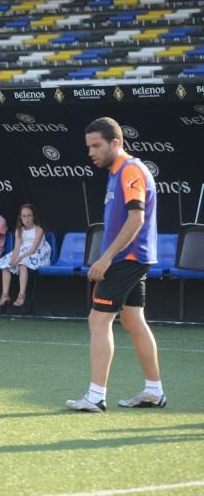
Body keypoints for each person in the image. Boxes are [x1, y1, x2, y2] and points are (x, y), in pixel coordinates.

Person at [67, 117, 165, 412]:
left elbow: (136, 219)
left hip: (127, 259)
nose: (91, 152)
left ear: (115, 143)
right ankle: (154, 391)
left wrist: (106, 258)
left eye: (96, 145)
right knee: (133, 321)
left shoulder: (130, 170)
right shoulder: (115, 173)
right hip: (132, 259)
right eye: (88, 147)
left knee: (98, 321)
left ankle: (95, 396)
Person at [0, 203, 52, 308]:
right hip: (23, 252)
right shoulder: (19, 230)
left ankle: (22, 295)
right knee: (6, 264)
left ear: (34, 216)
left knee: (22, 264)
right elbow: (16, 248)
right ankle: (5, 295)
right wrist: (13, 258)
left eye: (29, 215)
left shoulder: (39, 230)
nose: (26, 219)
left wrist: (19, 258)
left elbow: (34, 249)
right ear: (21, 217)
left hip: (37, 253)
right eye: (24, 216)